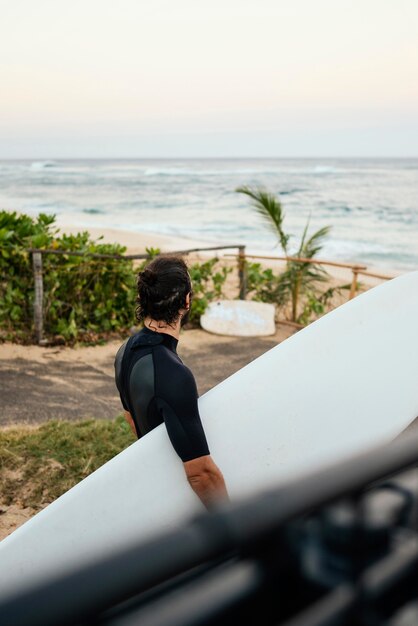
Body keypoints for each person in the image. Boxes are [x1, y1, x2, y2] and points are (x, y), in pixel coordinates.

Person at [114, 255, 228, 510]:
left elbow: (131, 419)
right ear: (186, 301)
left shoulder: (125, 351)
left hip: (159, 484)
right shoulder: (174, 374)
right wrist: (235, 527)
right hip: (183, 498)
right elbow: (200, 474)